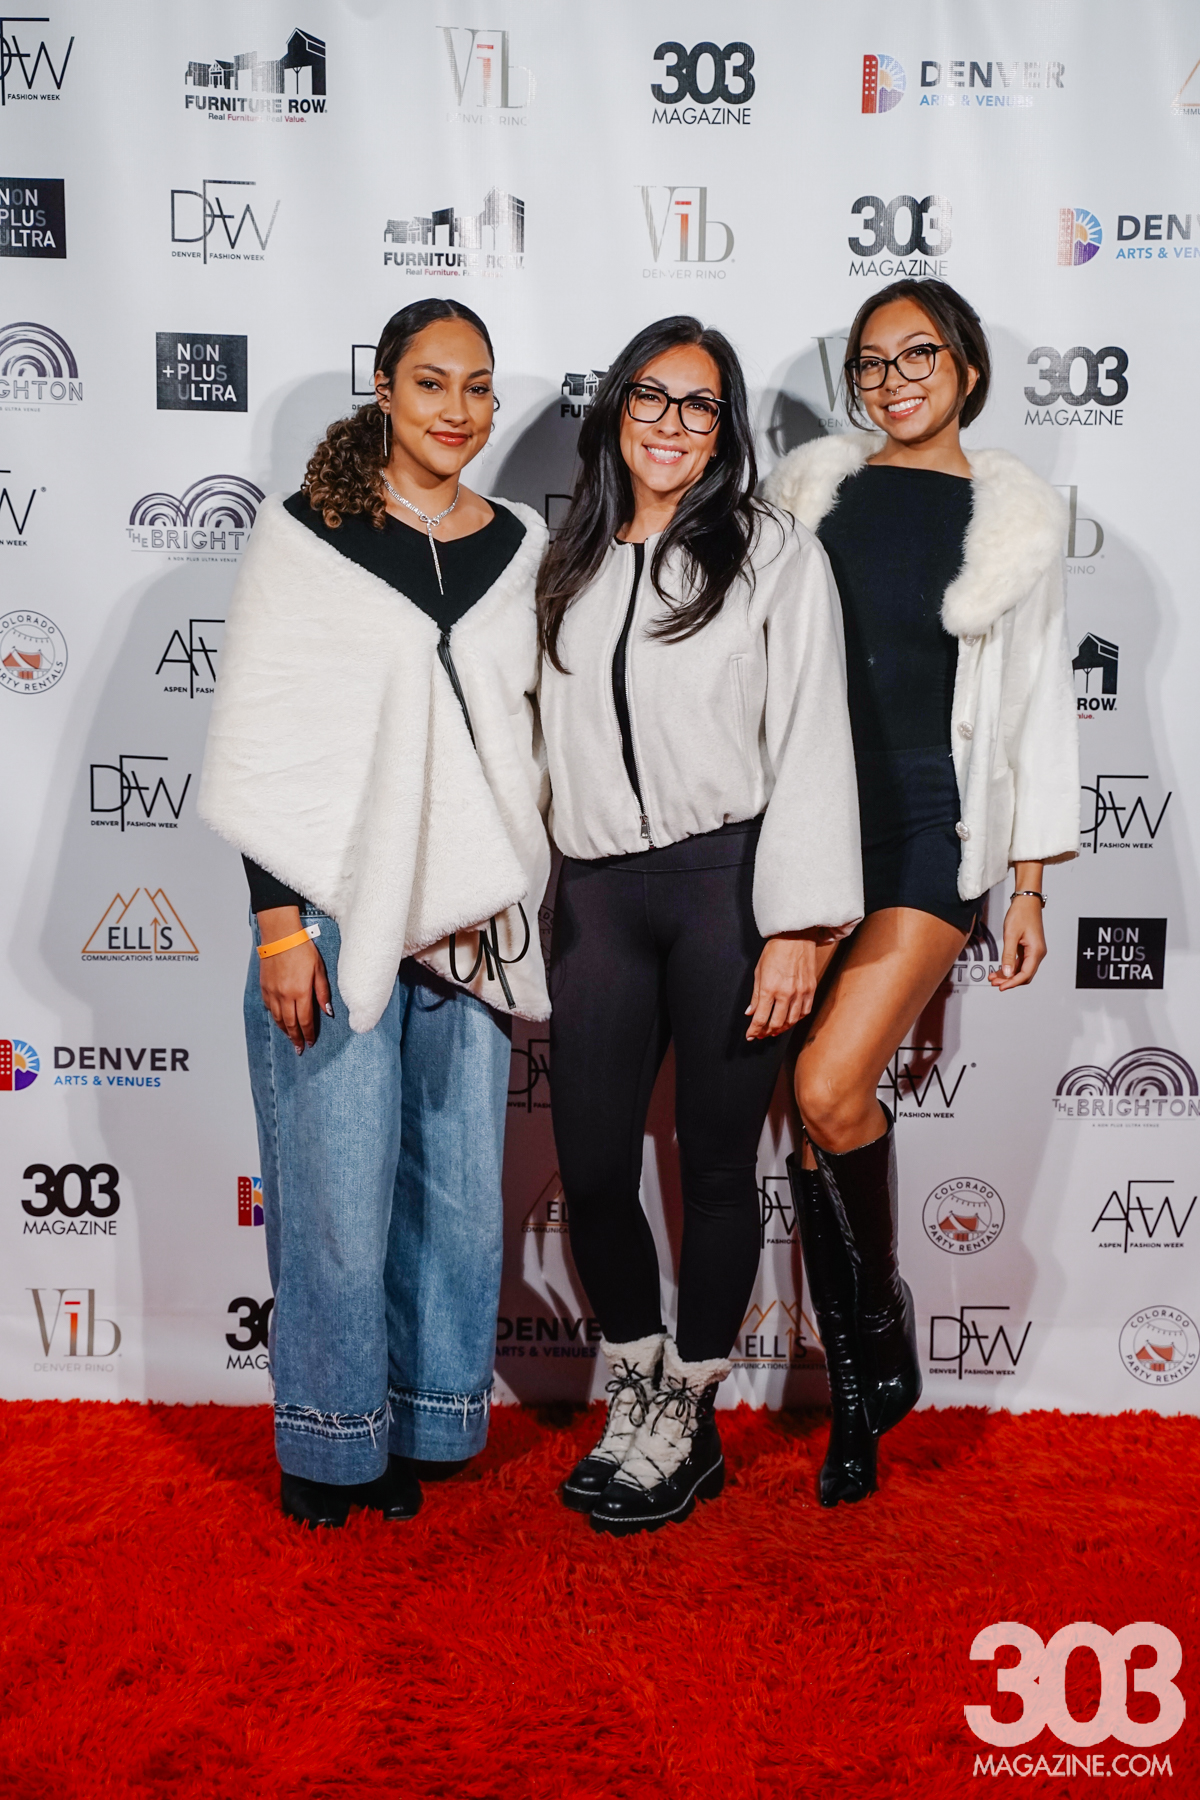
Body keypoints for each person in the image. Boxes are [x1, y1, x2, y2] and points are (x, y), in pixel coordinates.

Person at [199, 299, 550, 1529]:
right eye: (432, 382)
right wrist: (278, 925)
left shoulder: (518, 544)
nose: (457, 409)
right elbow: (261, 734)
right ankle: (330, 1440)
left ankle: (433, 1417)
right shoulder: (307, 535)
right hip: (335, 908)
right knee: (337, 1197)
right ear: (387, 392)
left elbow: (525, 739)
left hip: (469, 922)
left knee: (456, 1196)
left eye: (478, 387)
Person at [536, 315, 863, 1537]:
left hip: (725, 889)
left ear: (724, 430)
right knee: (593, 1164)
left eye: (700, 404)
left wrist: (800, 925)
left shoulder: (771, 551)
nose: (672, 424)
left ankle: (690, 1414)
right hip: (596, 895)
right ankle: (635, 1383)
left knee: (719, 1167)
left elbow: (813, 733)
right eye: (651, 396)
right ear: (615, 409)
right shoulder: (565, 558)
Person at [764, 278, 1079, 1507]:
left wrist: (1031, 884)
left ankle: (872, 1340)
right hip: (808, 822)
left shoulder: (1015, 518)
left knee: (827, 1085)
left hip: (928, 826)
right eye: (873, 362)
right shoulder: (811, 493)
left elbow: (1038, 707)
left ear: (968, 369)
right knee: (814, 1115)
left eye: (919, 356)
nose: (894, 380)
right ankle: (866, 1374)